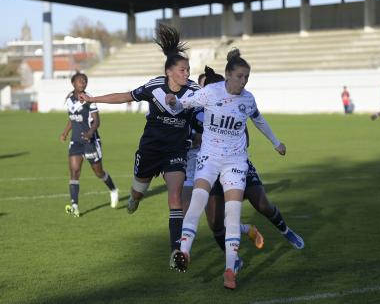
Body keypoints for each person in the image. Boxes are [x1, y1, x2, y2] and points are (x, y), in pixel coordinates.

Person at [78, 24, 200, 263]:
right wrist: (93, 99)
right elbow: (125, 96)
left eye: (188, 70)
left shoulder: (194, 91)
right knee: (138, 191)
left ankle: (176, 251)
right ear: (169, 72)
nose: (187, 74)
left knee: (175, 197)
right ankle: (134, 199)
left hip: (176, 151)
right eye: (183, 70)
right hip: (150, 149)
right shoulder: (153, 87)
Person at [167, 49, 286, 290]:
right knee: (198, 201)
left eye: (247, 78)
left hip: (235, 161)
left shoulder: (248, 99)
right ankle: (185, 252)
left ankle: (230, 270)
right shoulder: (211, 92)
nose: (243, 81)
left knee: (233, 214)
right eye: (240, 76)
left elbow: (259, 120)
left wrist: (276, 143)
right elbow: (184, 104)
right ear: (228, 75)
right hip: (209, 158)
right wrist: (174, 101)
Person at [60, 72, 119, 217]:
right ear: (73, 83)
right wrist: (65, 132)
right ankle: (74, 206)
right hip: (76, 142)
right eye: (80, 81)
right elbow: (72, 119)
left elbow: (97, 121)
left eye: (85, 81)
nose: (83, 83)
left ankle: (113, 189)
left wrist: (90, 133)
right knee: (74, 172)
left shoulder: (89, 99)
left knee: (99, 173)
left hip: (90, 141)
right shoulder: (69, 99)